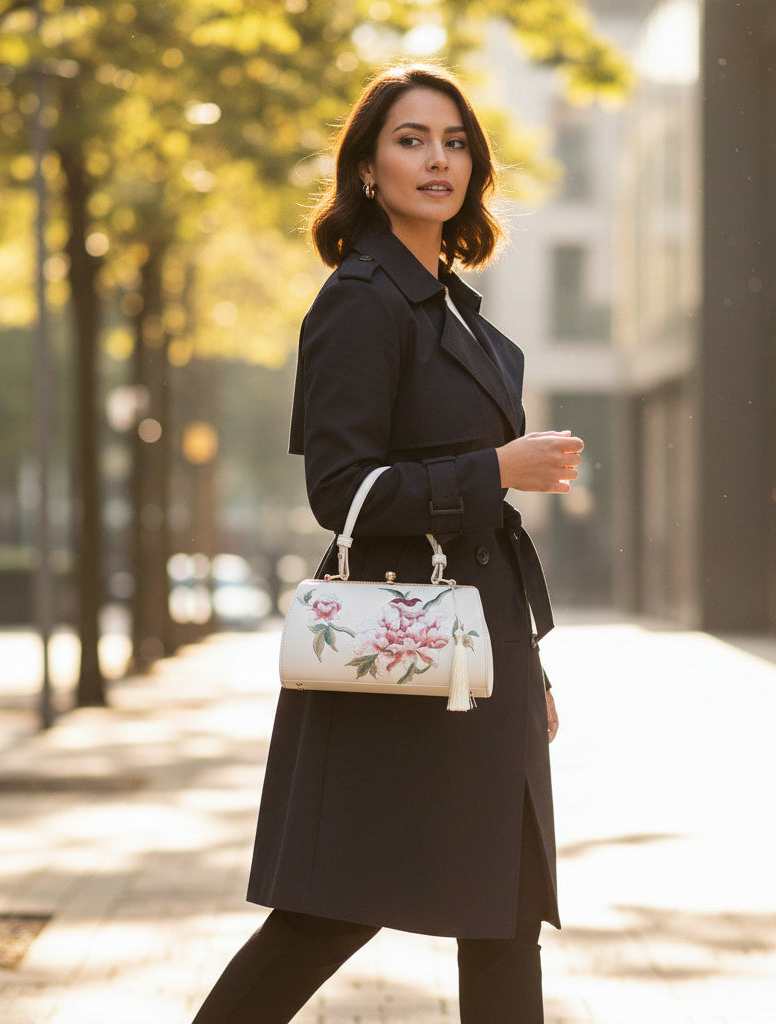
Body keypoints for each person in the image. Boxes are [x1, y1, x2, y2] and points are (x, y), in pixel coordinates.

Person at [188, 63, 585, 1024]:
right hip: (396, 659)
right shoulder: (361, 300)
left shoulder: (450, 303)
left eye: (454, 142)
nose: (437, 159)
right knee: (330, 915)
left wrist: (523, 667)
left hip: (474, 655)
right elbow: (341, 492)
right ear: (368, 167)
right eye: (411, 140)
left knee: (503, 914)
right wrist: (494, 469)